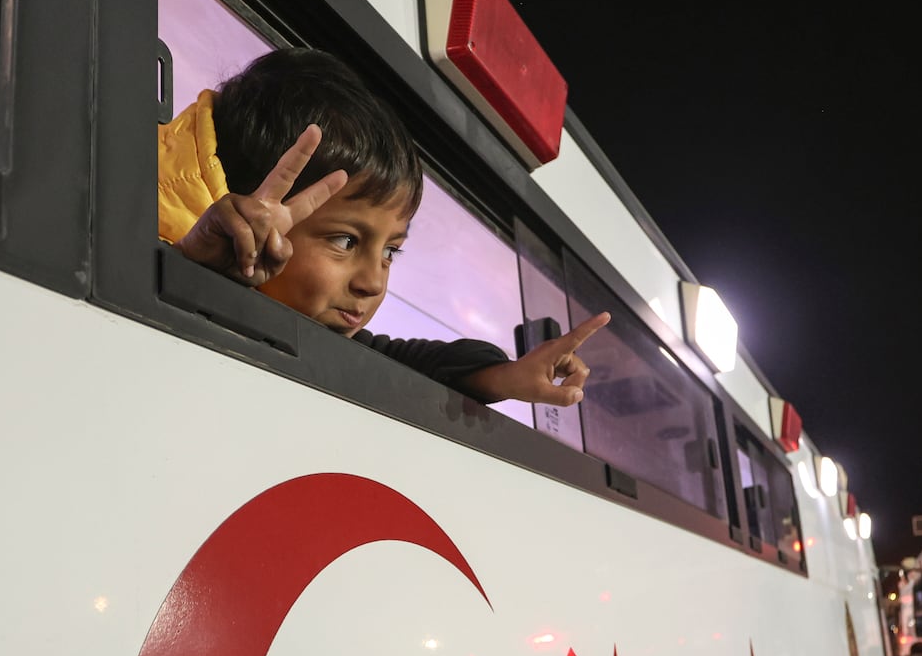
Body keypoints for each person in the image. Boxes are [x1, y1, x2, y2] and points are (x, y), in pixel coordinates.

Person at [157, 47, 608, 405]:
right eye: (344, 240)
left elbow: (405, 359)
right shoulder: (151, 259)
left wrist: (504, 375)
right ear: (241, 206)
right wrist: (197, 273)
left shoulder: (323, 333)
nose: (373, 282)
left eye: (391, 251)